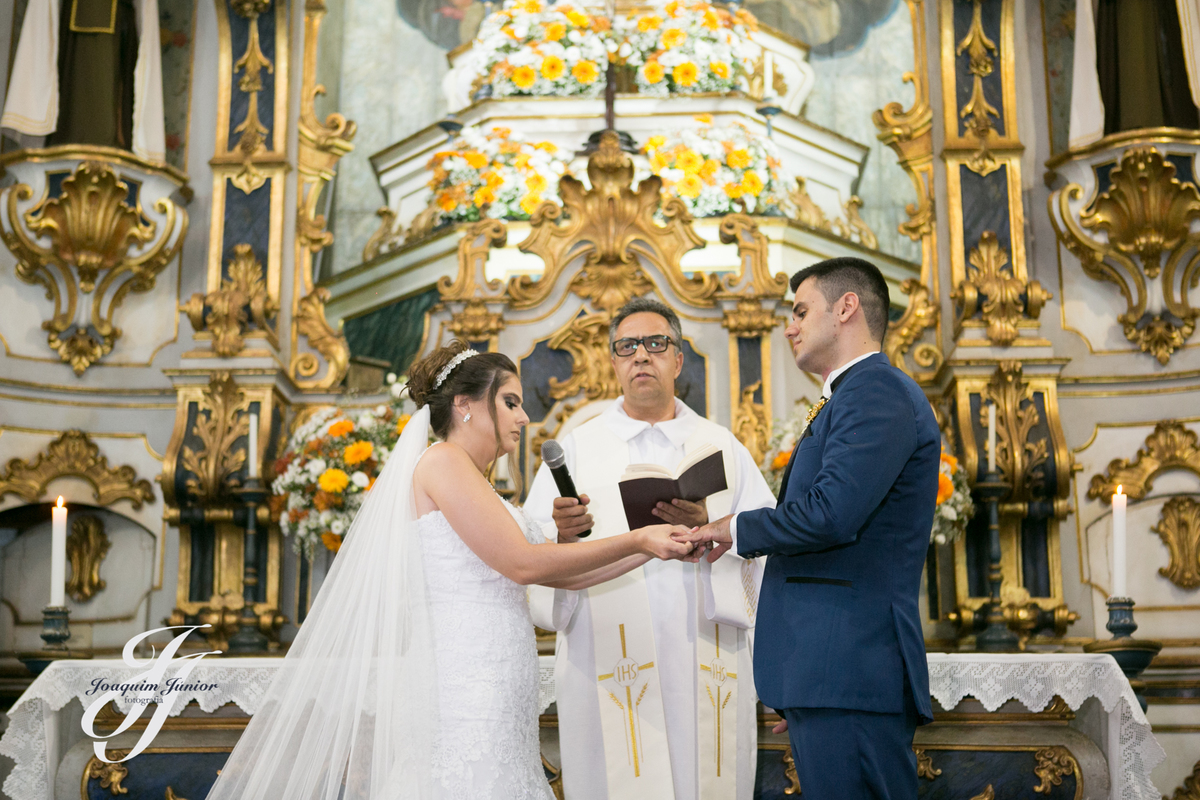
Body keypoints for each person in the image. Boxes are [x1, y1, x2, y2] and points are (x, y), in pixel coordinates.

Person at [206, 340, 694, 800]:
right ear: (465, 404)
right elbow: (524, 564)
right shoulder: (442, 462)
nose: (524, 416)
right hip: (465, 686)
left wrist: (657, 546)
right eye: (510, 402)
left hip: (495, 687)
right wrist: (636, 538)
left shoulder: (480, 484)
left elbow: (563, 574)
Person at [676, 257, 940, 800]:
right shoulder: (853, 394)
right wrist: (806, 688)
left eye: (800, 311)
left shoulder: (874, 391)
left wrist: (730, 529)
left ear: (846, 308)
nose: (789, 326)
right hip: (833, 674)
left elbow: (831, 514)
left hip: (849, 669)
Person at [525, 297, 776, 800]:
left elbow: (771, 545)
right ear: (614, 362)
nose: (642, 355)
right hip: (608, 659)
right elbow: (531, 554)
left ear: (677, 359)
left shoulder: (722, 446)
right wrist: (564, 534)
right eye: (628, 346)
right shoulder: (577, 448)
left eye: (656, 344)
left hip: (703, 651)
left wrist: (715, 526)